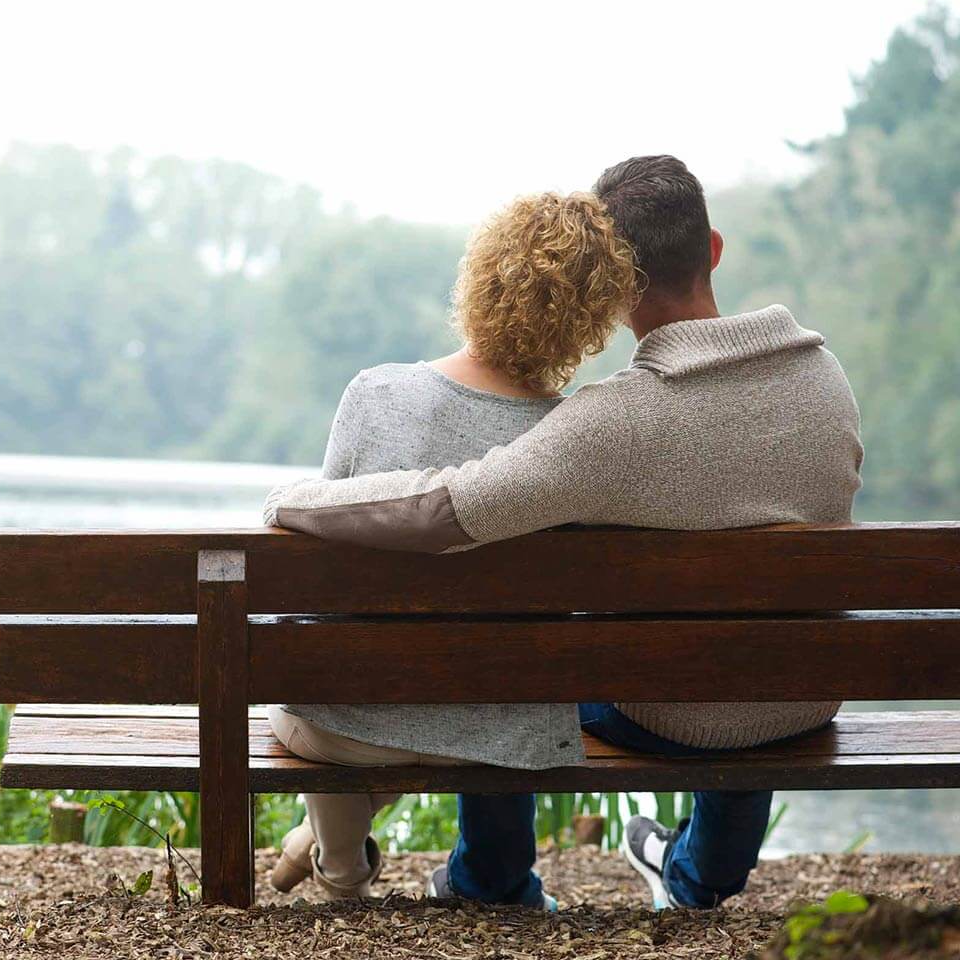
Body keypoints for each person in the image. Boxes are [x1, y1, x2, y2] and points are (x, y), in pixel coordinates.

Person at [264, 156, 864, 909]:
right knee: (747, 649)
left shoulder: (612, 421)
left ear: (613, 287)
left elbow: (448, 507)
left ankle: (487, 879)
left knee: (513, 661)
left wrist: (297, 501)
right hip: (806, 694)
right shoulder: (826, 380)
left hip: (664, 712)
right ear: (713, 249)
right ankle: (696, 876)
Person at [266, 191, 638, 905]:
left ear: (481, 278)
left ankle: (341, 873)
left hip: (348, 726)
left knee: (327, 692)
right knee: (432, 703)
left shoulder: (375, 393)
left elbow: (318, 556)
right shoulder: (570, 440)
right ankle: (330, 852)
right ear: (590, 320)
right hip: (500, 733)